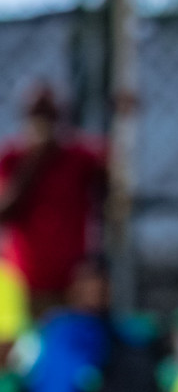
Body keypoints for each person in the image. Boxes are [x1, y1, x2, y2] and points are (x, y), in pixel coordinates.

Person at [0, 85, 107, 317]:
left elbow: (114, 176)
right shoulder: (13, 158)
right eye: (36, 114)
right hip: (22, 279)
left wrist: (124, 114)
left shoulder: (79, 158)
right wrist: (35, 159)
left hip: (70, 284)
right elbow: (5, 211)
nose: (43, 121)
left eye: (49, 114)